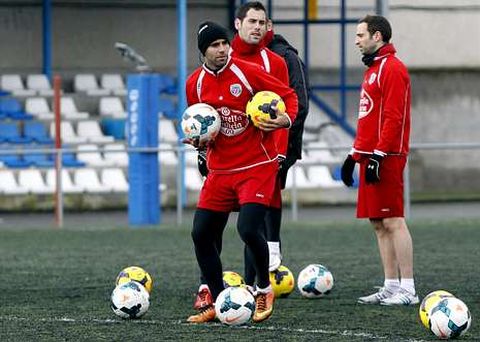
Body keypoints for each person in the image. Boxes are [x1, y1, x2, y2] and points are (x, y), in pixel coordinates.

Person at [185, 21, 298, 323]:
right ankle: (218, 298)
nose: (223, 49)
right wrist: (199, 144)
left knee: (248, 229)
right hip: (220, 170)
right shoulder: (194, 83)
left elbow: (288, 95)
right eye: (215, 45)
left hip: (255, 166)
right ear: (203, 52)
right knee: (200, 234)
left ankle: (263, 289)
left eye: (225, 43)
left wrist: (285, 120)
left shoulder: (246, 72)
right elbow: (201, 126)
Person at [340, 15, 418, 305]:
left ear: (378, 36)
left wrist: (380, 154)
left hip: (387, 156)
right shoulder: (372, 69)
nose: (357, 40)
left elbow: (393, 117)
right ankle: (390, 284)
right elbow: (368, 118)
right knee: (378, 222)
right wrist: (354, 155)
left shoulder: (393, 68)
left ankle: (408, 288)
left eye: (361, 35)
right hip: (370, 155)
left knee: (393, 220)